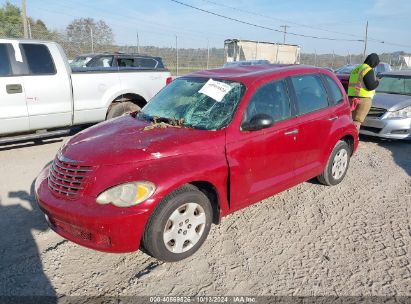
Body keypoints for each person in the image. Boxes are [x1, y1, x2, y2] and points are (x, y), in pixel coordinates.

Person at [347, 53, 380, 131]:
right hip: (362, 100)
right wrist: (378, 81)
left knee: (350, 121)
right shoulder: (368, 69)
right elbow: (371, 86)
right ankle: (354, 140)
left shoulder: (356, 68)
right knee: (357, 122)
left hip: (351, 98)